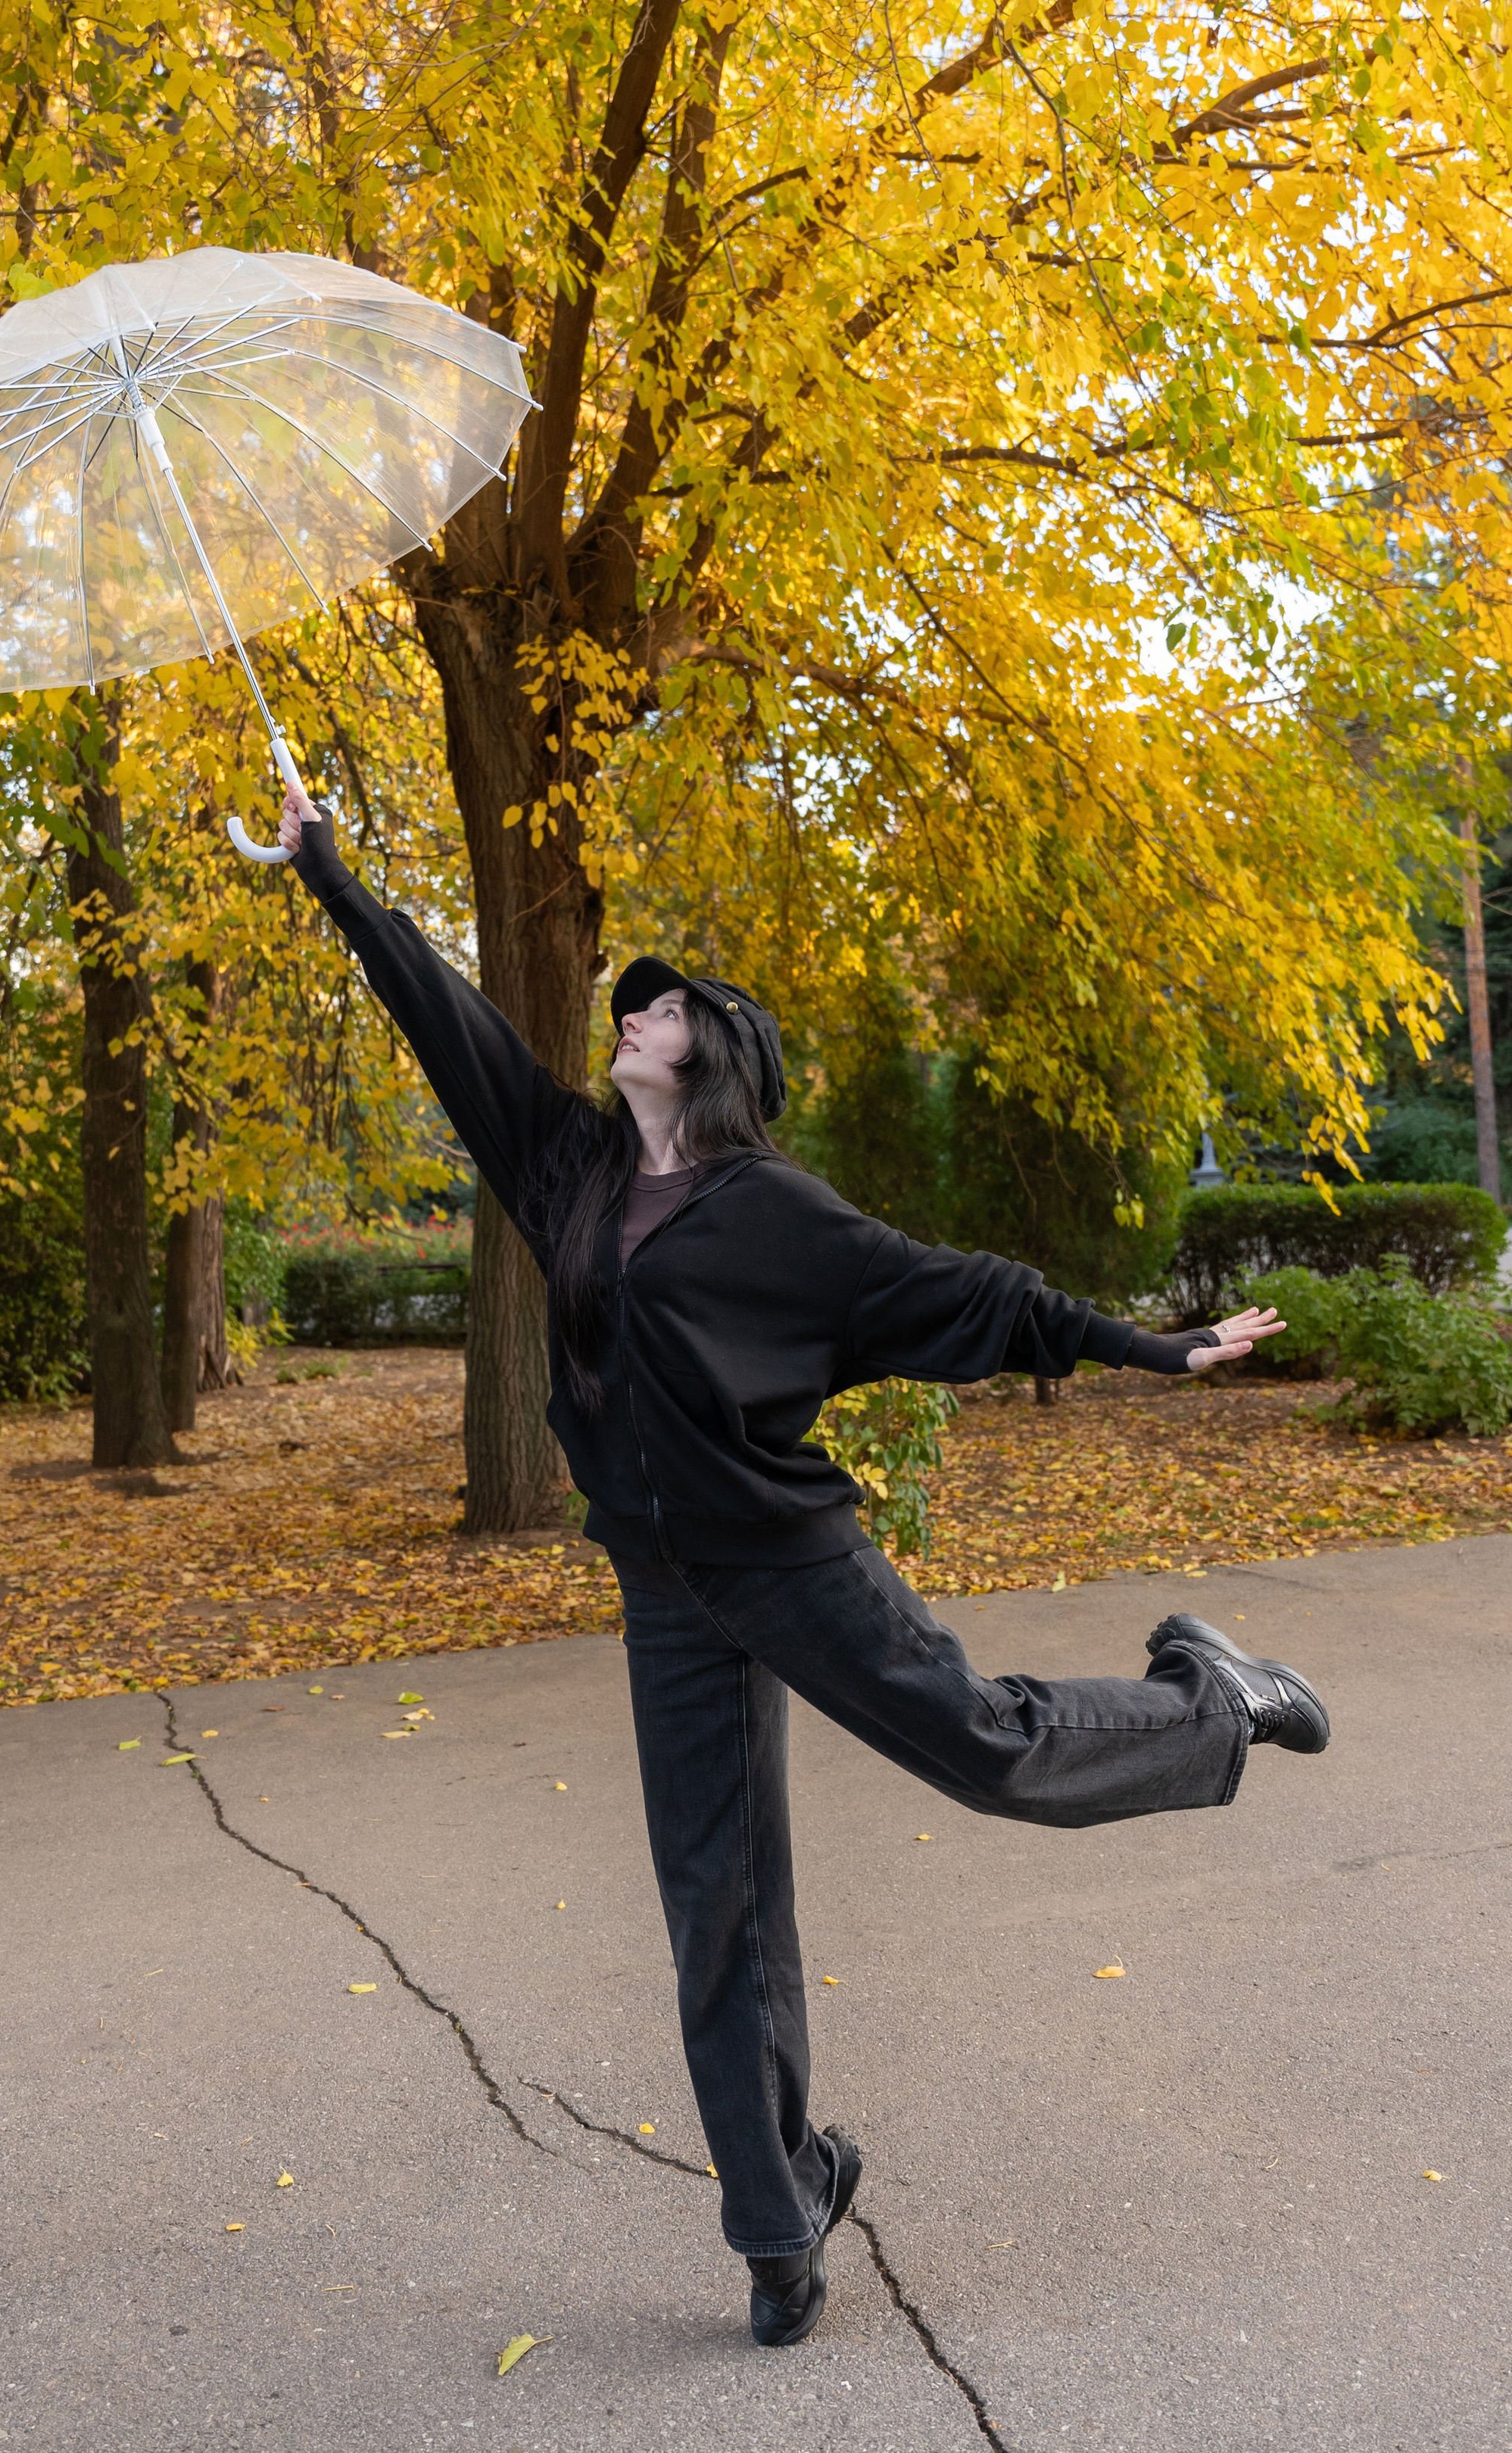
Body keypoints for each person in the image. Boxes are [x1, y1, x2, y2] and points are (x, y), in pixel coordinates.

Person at [278, 788, 1327, 2350]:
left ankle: (1217, 1700)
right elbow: (449, 1026)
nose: (631, 1015)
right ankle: (778, 2223)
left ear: (719, 1055)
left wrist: (1152, 1347)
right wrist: (332, 879)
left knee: (985, 1749)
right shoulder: (565, 1170)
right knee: (713, 1907)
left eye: (664, 1006)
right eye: (631, 1006)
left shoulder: (772, 1212)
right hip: (660, 1590)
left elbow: (966, 1295)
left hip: (783, 1558)